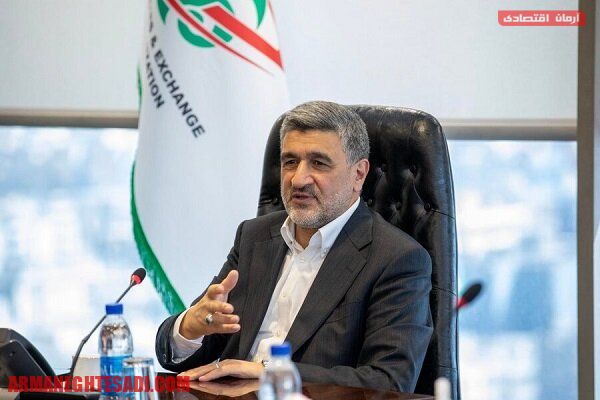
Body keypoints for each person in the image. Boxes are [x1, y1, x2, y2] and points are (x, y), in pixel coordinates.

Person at [155, 101, 433, 392]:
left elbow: (389, 382)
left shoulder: (397, 259)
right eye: (290, 162)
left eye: (318, 163)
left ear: (359, 174)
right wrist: (189, 328)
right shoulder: (254, 237)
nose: (298, 179)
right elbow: (184, 349)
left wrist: (268, 371)